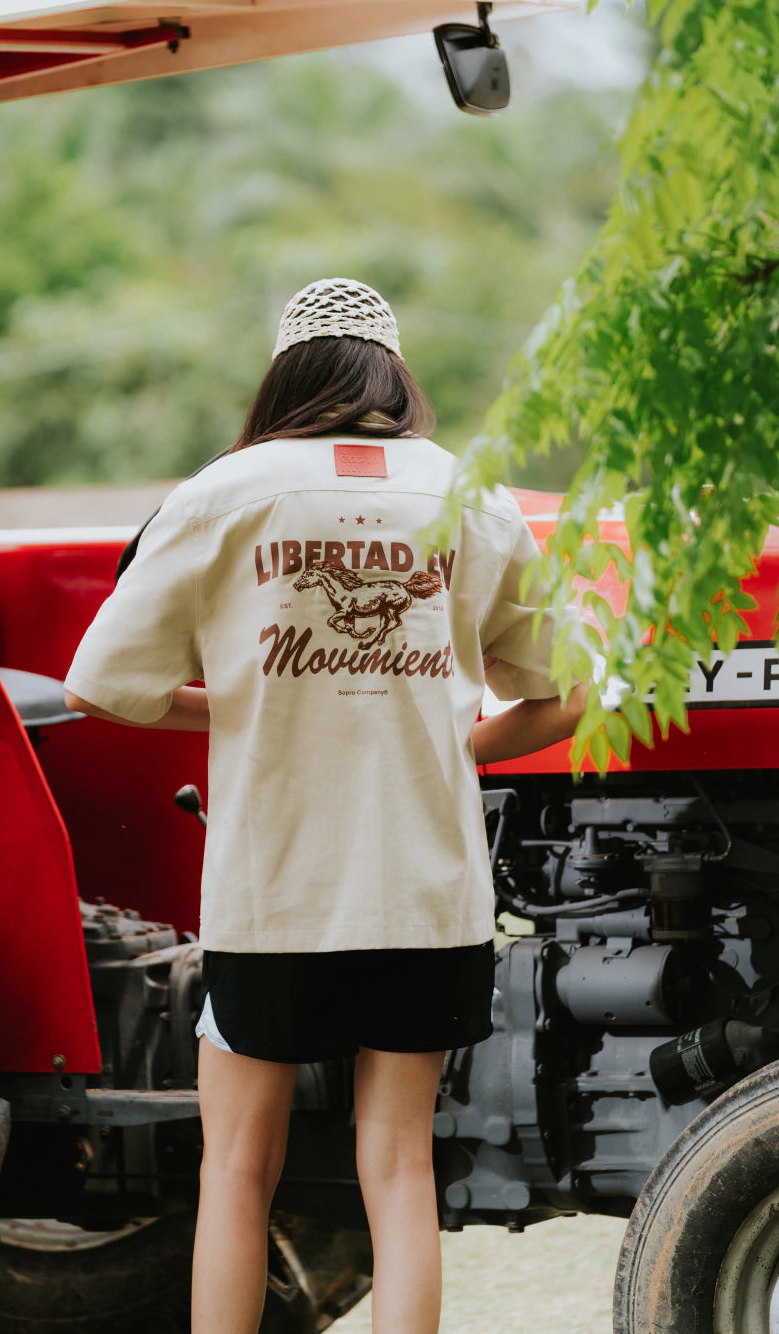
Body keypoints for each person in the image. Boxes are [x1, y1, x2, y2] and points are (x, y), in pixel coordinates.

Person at [63, 278, 585, 1334]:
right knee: (397, 1168)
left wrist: (246, 709)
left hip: (275, 896)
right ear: (392, 371)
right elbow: (564, 695)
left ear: (287, 373)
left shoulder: (224, 491)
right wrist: (452, 746)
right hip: (427, 896)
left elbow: (97, 683)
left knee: (237, 1171)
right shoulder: (470, 493)